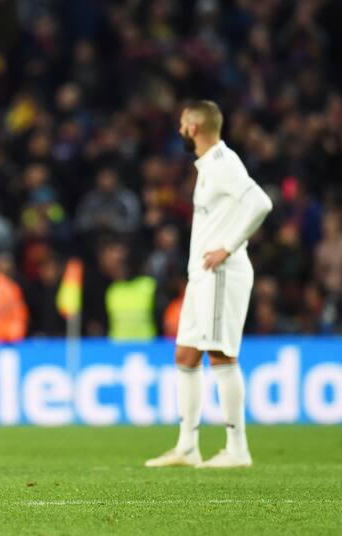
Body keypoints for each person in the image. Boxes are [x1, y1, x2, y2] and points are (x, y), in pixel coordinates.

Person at [145, 100, 272, 469]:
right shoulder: (208, 166)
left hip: (222, 274)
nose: (180, 130)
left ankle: (237, 448)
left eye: (183, 124)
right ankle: (187, 447)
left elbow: (260, 203)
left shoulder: (222, 162)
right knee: (185, 355)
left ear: (195, 128)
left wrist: (227, 247)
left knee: (220, 356)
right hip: (201, 277)